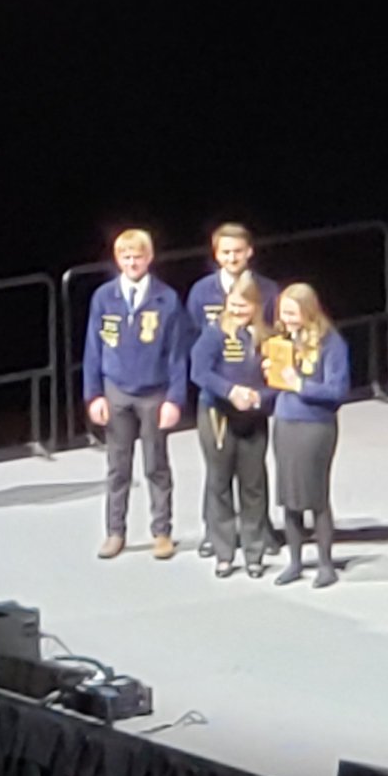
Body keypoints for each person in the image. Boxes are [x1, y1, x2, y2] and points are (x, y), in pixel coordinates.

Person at [83, 229, 187, 561]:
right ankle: (115, 531)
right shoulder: (104, 297)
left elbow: (177, 353)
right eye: (126, 257)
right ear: (117, 259)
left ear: (149, 258)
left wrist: (174, 398)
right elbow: (93, 349)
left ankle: (162, 532)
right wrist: (93, 395)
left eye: (137, 257)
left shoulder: (166, 298)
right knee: (118, 466)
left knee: (156, 464)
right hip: (116, 391)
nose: (132, 262)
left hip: (154, 393)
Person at [185, 222, 280, 559]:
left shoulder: (268, 291)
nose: (232, 257)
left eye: (238, 251)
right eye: (225, 252)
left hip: (255, 402)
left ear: (249, 252)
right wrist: (226, 387)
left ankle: (259, 530)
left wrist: (261, 392)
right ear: (216, 254)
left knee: (254, 473)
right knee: (218, 471)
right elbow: (197, 344)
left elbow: (276, 340)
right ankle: (216, 533)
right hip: (216, 402)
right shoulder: (201, 292)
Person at [263, 283, 350, 588]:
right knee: (288, 496)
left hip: (315, 426)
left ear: (308, 310)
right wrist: (271, 374)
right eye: (282, 312)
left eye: (291, 312)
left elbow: (337, 390)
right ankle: (296, 562)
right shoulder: (284, 339)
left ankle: (326, 565)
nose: (284, 318)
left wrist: (299, 385)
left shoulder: (331, 343)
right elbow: (277, 385)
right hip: (286, 422)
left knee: (315, 496)